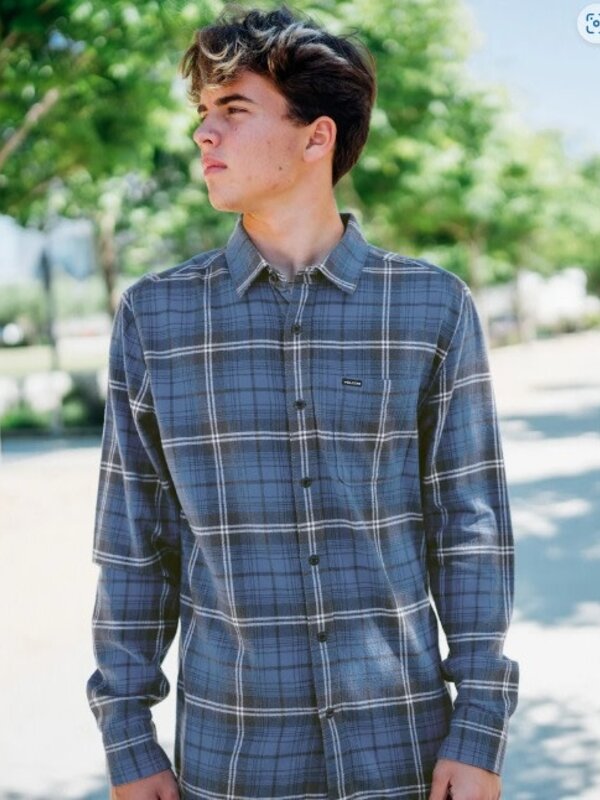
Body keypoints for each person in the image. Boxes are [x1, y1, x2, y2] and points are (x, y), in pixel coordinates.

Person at [86, 5, 519, 800]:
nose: (203, 133)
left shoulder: (431, 307)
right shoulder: (155, 317)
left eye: (233, 109)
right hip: (234, 758)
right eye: (202, 112)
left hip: (406, 752)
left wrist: (481, 727)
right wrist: (128, 738)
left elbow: (471, 528)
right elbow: (134, 541)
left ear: (317, 137)